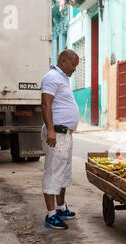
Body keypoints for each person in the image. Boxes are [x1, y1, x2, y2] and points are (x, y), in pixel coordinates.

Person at [40, 49, 80, 230]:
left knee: (63, 173)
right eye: (73, 65)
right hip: (56, 133)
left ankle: (61, 208)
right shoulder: (52, 77)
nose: (75, 69)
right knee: (53, 173)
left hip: (65, 134)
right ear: (63, 61)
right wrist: (50, 130)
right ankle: (51, 216)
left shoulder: (63, 78)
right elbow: (45, 103)